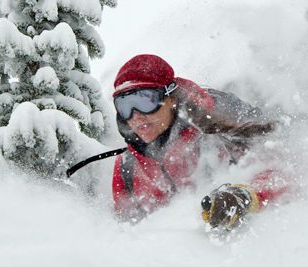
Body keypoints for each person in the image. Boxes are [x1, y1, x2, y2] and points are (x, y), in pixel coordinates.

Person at [111, 54, 288, 229]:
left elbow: (281, 172)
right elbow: (124, 230)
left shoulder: (217, 134)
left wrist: (245, 196)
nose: (135, 115)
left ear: (171, 98)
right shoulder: (128, 166)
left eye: (145, 101)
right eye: (124, 105)